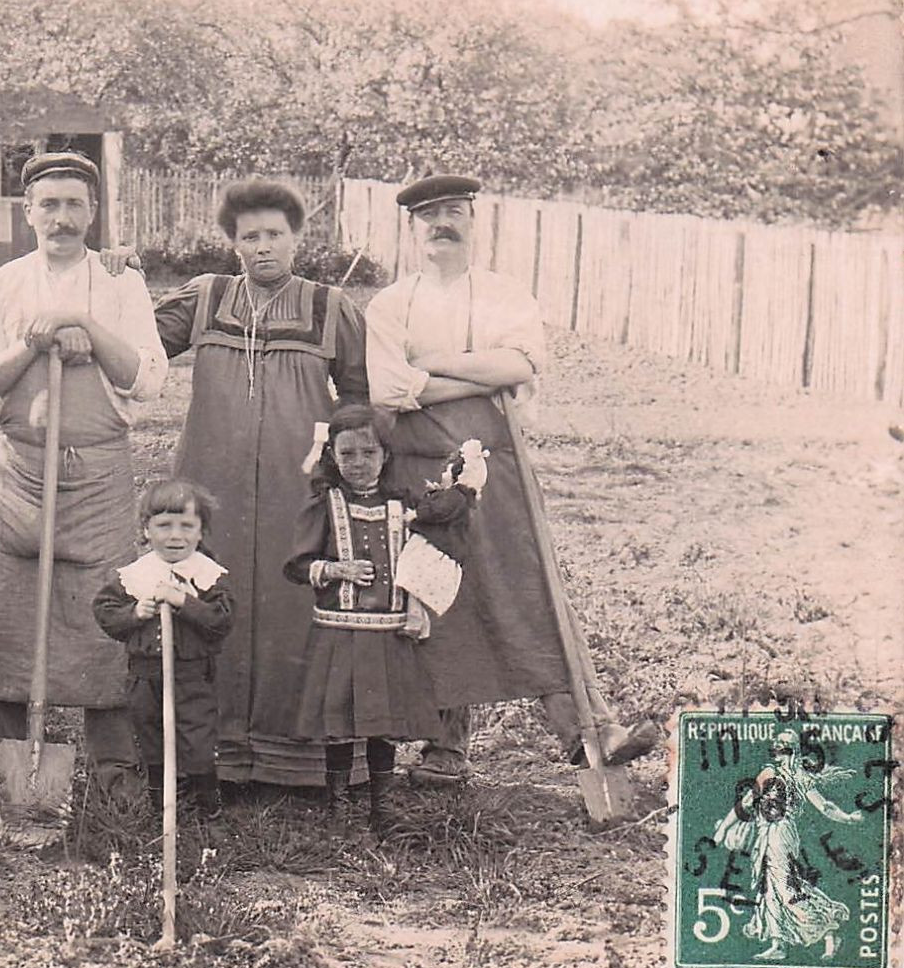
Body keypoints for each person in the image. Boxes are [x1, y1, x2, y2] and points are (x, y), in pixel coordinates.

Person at [365, 173, 661, 786]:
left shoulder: (504, 295)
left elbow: (521, 363)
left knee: (523, 585)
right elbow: (389, 389)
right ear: (412, 228)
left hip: (493, 458)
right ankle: (444, 749)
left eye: (454, 212)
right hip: (419, 462)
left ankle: (588, 731)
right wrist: (482, 377)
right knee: (432, 586)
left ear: (474, 222)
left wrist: (434, 370)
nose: (442, 223)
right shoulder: (391, 304)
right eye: (429, 216)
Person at [0, 150, 168, 805]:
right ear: (28, 212)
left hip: (98, 470)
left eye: (75, 204)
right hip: (20, 470)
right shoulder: (2, 285)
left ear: (94, 212)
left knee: (103, 608)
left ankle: (111, 766)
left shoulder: (118, 284)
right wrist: (32, 343)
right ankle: (0, 757)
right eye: (48, 204)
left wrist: (86, 329)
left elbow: (148, 378)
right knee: (8, 613)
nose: (62, 218)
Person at [150, 179, 370, 788]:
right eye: (251, 237)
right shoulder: (206, 297)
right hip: (210, 481)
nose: (263, 247)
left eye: (275, 234)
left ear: (298, 238)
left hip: (295, 490)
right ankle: (206, 755)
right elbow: (137, 351)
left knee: (293, 604)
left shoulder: (330, 308)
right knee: (205, 595)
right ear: (233, 244)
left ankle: (295, 761)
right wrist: (113, 283)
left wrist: (344, 471)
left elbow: (360, 399)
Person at [270, 404, 482, 831]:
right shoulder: (324, 504)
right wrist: (334, 569)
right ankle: (338, 805)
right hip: (340, 632)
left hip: (387, 632)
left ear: (386, 455)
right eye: (347, 455)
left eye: (368, 453)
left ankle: (379, 807)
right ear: (332, 455)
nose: (358, 464)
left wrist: (464, 486)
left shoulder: (404, 504)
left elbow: (442, 523)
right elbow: (296, 566)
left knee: (381, 724)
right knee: (340, 722)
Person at [92, 480, 234, 818]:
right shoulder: (136, 574)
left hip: (191, 676)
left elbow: (221, 620)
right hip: (144, 676)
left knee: (196, 740)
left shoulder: (207, 575)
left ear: (201, 532)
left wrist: (184, 601)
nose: (175, 536)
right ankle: (161, 810)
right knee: (151, 738)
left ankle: (207, 812)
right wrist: (135, 613)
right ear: (146, 530)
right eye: (164, 526)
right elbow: (105, 611)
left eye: (187, 526)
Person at [711, 730, 860, 960]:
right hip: (765, 834)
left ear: (792, 749)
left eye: (783, 744)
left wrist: (848, 818)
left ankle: (829, 930)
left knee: (786, 888)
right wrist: (723, 828)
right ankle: (778, 944)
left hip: (782, 834)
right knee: (768, 887)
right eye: (777, 744)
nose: (778, 748)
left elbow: (825, 807)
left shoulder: (801, 777)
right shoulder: (769, 772)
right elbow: (746, 803)